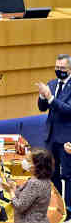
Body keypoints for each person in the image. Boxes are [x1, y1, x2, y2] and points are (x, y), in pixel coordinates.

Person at [1, 148, 53, 223]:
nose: (24, 162)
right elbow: (28, 196)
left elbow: (20, 205)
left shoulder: (34, 183)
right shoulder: (44, 180)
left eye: (28, 160)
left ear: (37, 165)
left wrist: (10, 192)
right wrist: (15, 188)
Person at [37, 54, 71, 200]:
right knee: (52, 173)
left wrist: (50, 97)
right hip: (51, 137)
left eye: (62, 68)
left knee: (68, 175)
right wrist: (43, 97)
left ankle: (69, 208)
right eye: (57, 67)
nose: (59, 70)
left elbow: (68, 110)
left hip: (66, 139)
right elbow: (42, 108)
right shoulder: (51, 84)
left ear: (69, 69)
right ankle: (58, 205)